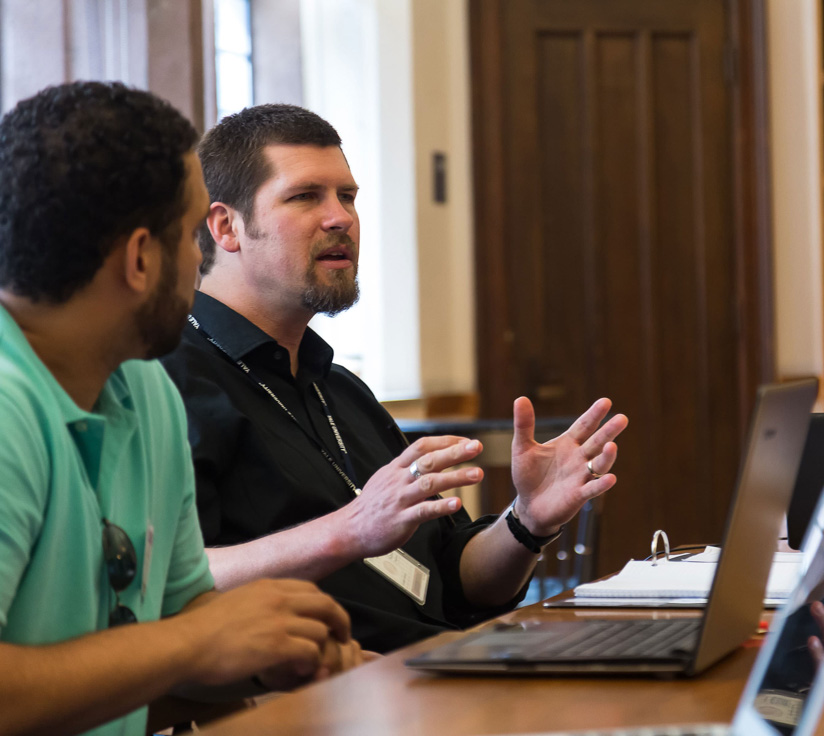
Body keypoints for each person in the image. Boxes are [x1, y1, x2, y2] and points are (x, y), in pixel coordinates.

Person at [159, 103, 628, 652]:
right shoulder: (168, 379)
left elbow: (456, 583)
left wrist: (527, 522)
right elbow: (173, 582)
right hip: (324, 700)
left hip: (448, 668)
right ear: (226, 227)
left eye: (348, 197)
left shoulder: (337, 387)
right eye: (306, 196)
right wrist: (349, 529)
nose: (340, 218)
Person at [0, 83, 363, 736]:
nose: (203, 259)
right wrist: (199, 644)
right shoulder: (6, 408)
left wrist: (280, 654)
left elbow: (174, 632)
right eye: (190, 236)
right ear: (141, 259)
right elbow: (184, 643)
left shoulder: (147, 391)